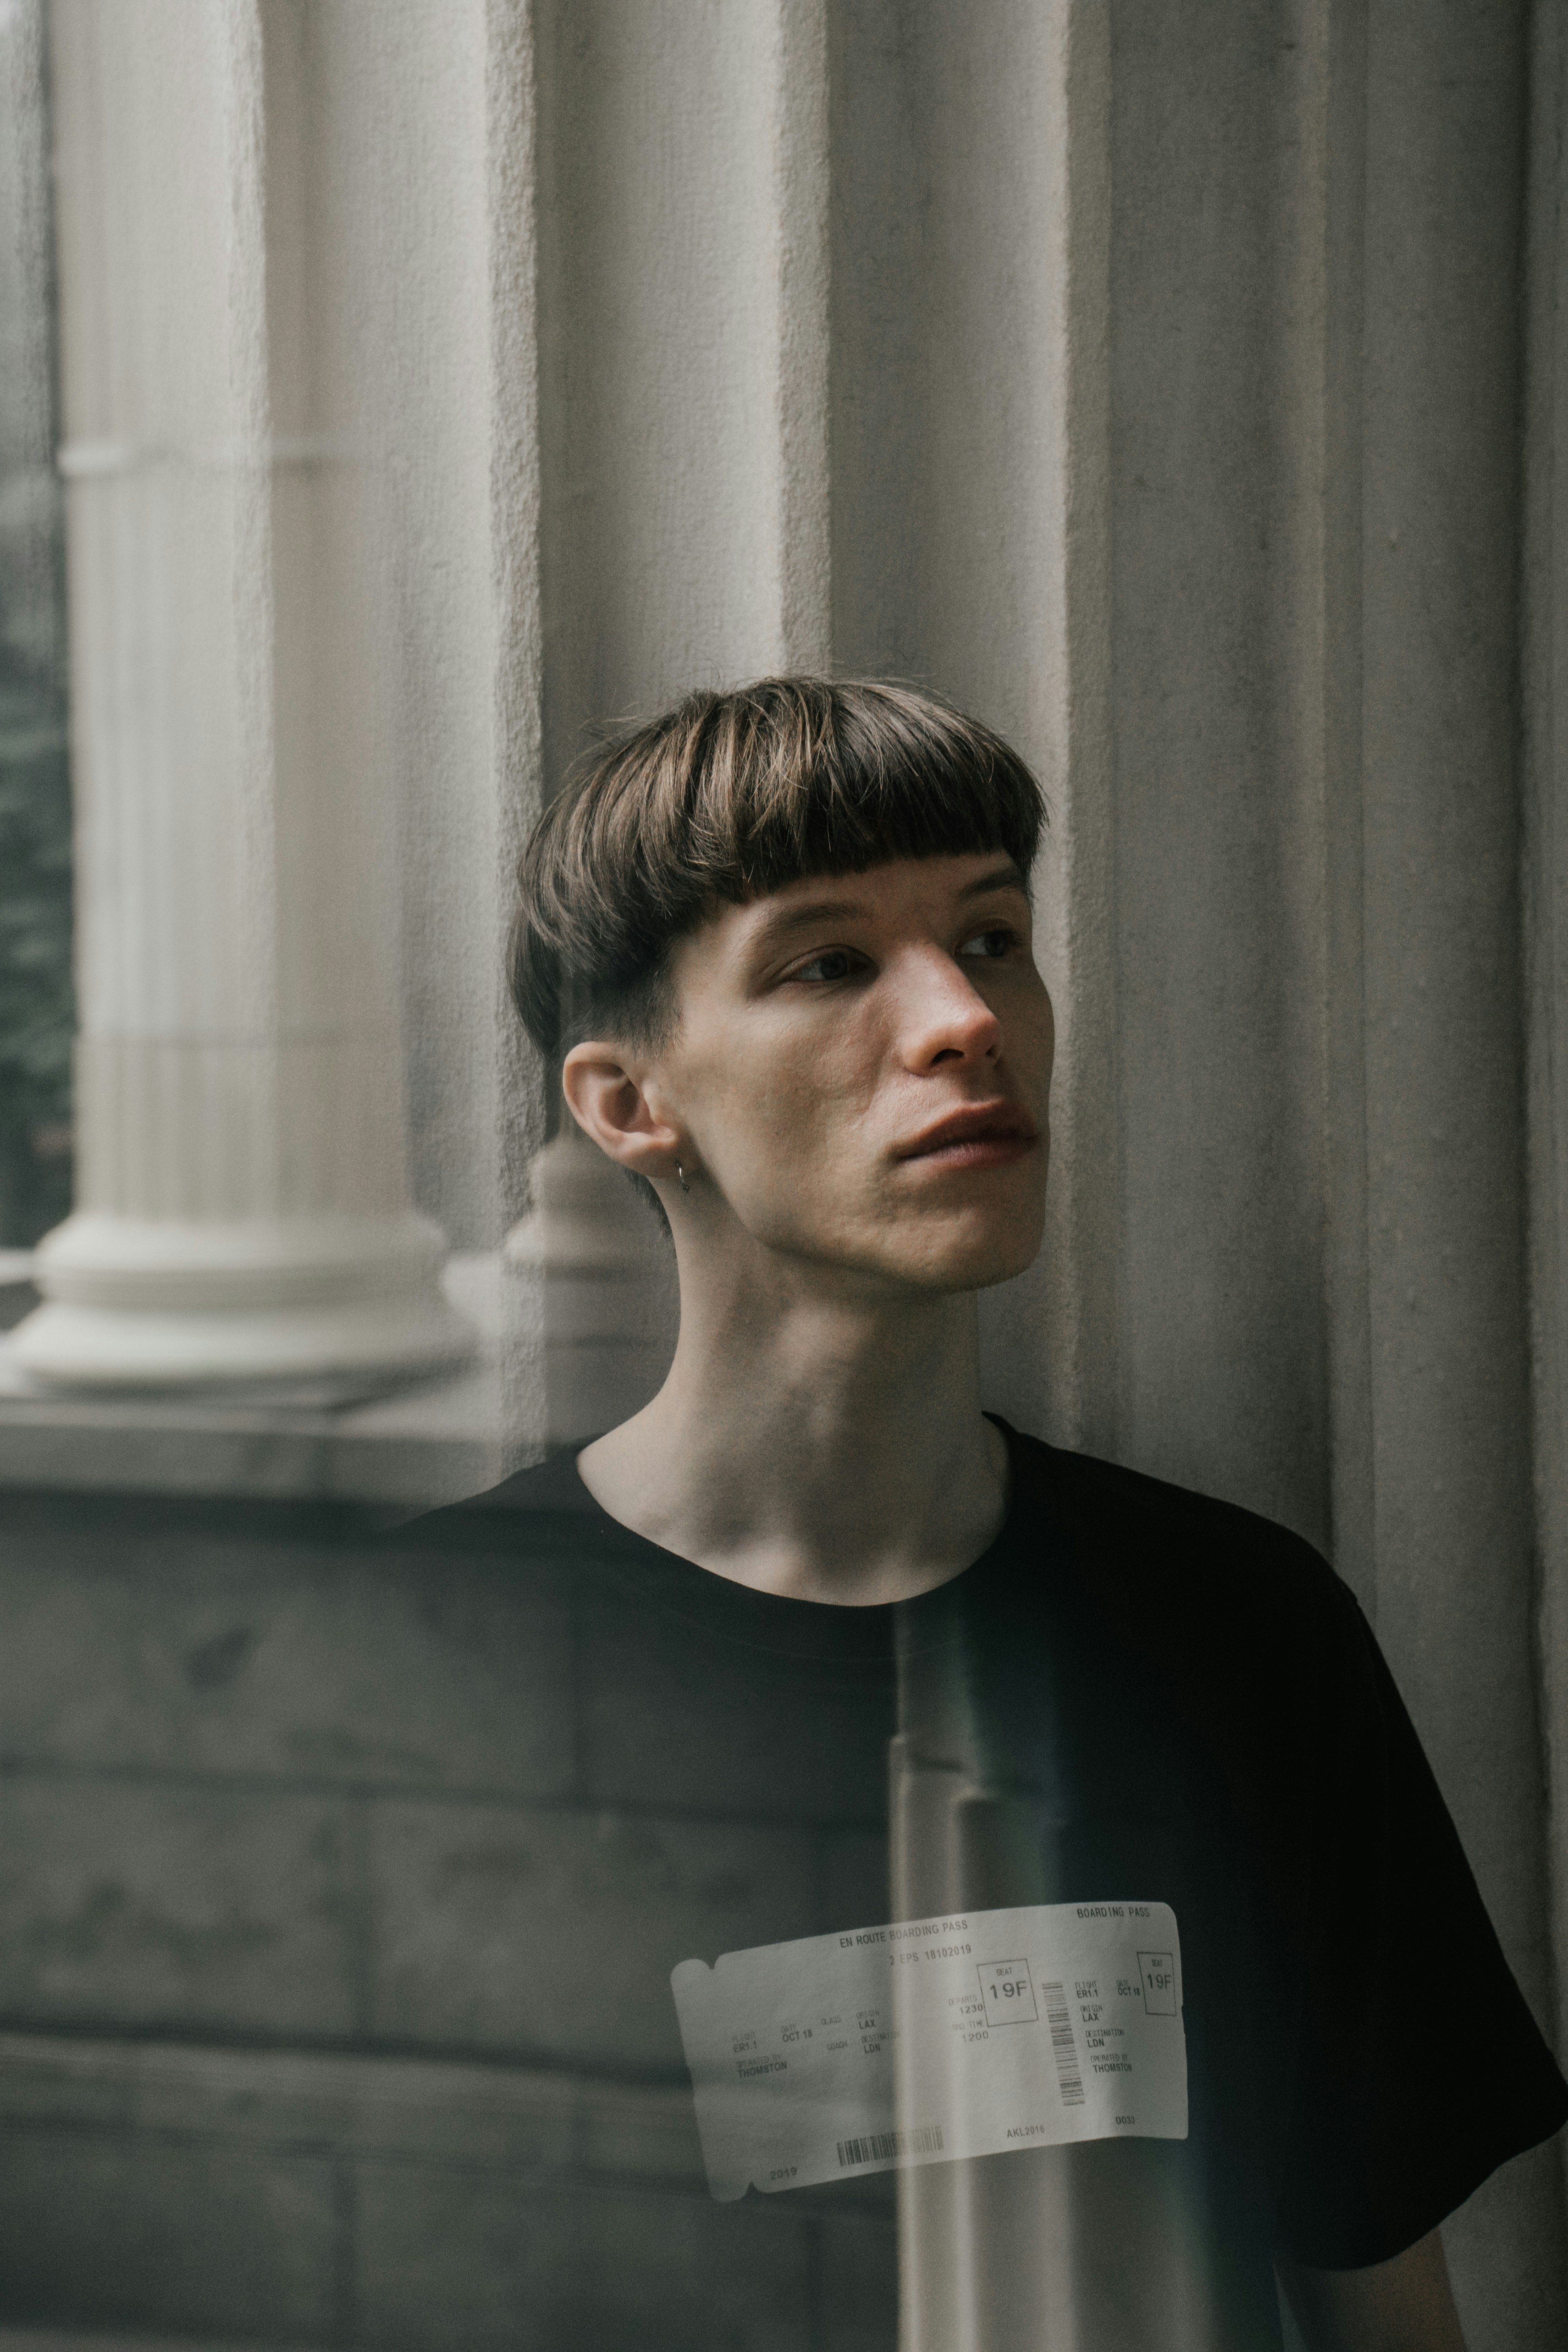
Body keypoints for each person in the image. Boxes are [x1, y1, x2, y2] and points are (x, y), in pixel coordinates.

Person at [398, 678, 1566, 2349]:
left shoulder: (1235, 1624)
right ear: (630, 1104)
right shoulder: (419, 1666)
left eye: (994, 936)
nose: (964, 1015)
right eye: (828, 962)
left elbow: (1389, 2313)